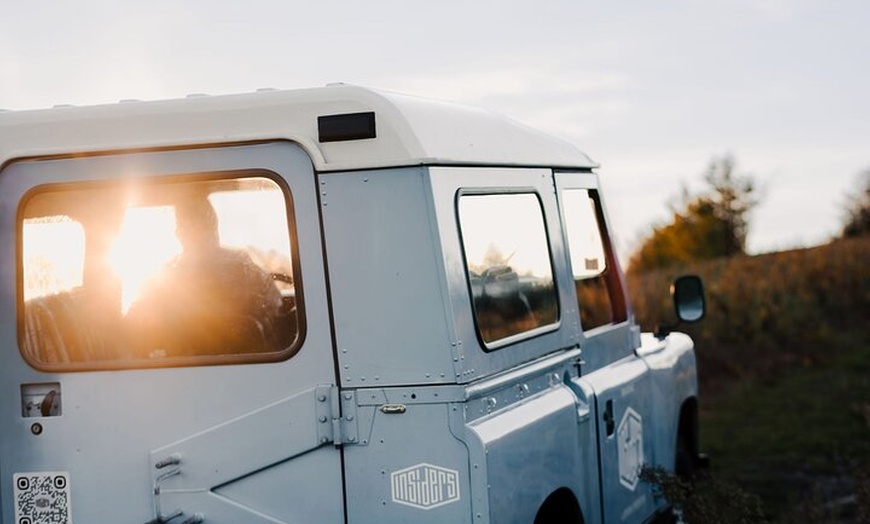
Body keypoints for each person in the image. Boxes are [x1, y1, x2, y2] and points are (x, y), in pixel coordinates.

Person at [125, 195, 285, 358]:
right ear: (215, 227)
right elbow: (275, 307)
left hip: (181, 373)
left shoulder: (163, 278)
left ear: (179, 233)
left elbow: (134, 323)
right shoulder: (245, 268)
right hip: (253, 370)